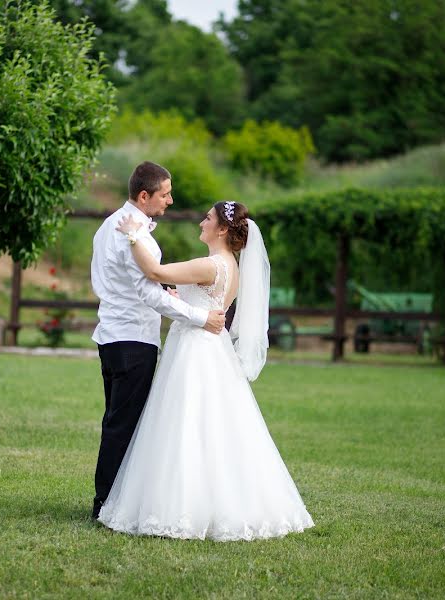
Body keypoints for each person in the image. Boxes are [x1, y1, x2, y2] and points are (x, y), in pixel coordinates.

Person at [97, 200, 314, 541]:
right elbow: (201, 301)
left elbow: (155, 272)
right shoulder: (230, 267)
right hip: (213, 348)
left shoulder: (210, 265)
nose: (201, 222)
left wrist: (135, 235)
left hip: (194, 350)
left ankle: (182, 506)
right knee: (216, 426)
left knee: (185, 423)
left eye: (208, 218)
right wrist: (179, 298)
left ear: (223, 230)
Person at [90, 161, 226, 521]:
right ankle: (106, 505)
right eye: (164, 194)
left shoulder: (108, 225)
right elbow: (148, 295)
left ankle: (110, 500)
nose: (170, 200)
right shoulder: (135, 235)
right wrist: (201, 317)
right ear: (144, 195)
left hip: (111, 335)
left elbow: (115, 282)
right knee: (124, 424)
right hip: (133, 339)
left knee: (117, 420)